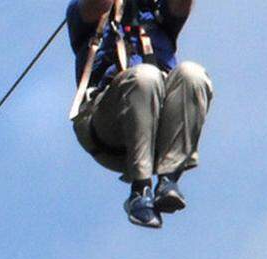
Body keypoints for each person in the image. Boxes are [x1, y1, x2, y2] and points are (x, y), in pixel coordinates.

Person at [66, 0, 212, 228]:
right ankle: (140, 188)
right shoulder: (81, 13)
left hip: (159, 125)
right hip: (107, 122)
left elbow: (181, 5)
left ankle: (169, 178)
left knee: (193, 74)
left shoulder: (156, 12)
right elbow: (97, 5)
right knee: (145, 76)